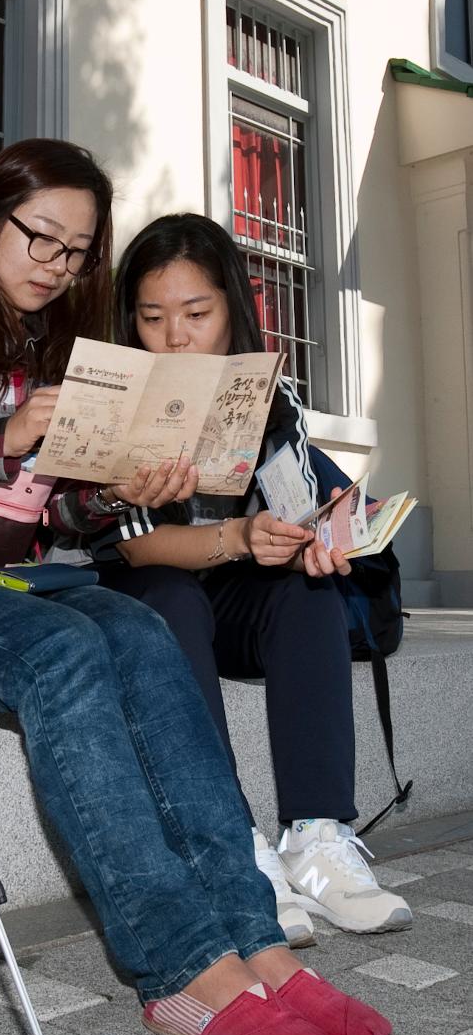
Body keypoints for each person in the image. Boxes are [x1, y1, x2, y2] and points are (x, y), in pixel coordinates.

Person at [0, 144, 392, 1035]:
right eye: (41, 236)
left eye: (75, 252)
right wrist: (7, 434)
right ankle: (179, 970)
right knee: (66, 654)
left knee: (140, 629)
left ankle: (253, 939)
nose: (55, 264)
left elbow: (63, 514)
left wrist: (120, 492)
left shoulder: (56, 353)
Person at [93, 212, 412, 947]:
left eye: (196, 314)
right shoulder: (120, 400)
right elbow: (137, 551)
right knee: (171, 600)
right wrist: (239, 535)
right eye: (152, 317)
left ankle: (317, 838)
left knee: (307, 592)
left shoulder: (272, 397)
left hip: (233, 593)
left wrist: (317, 540)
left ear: (232, 307)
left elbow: (294, 504)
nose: (175, 336)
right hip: (147, 593)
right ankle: (232, 847)